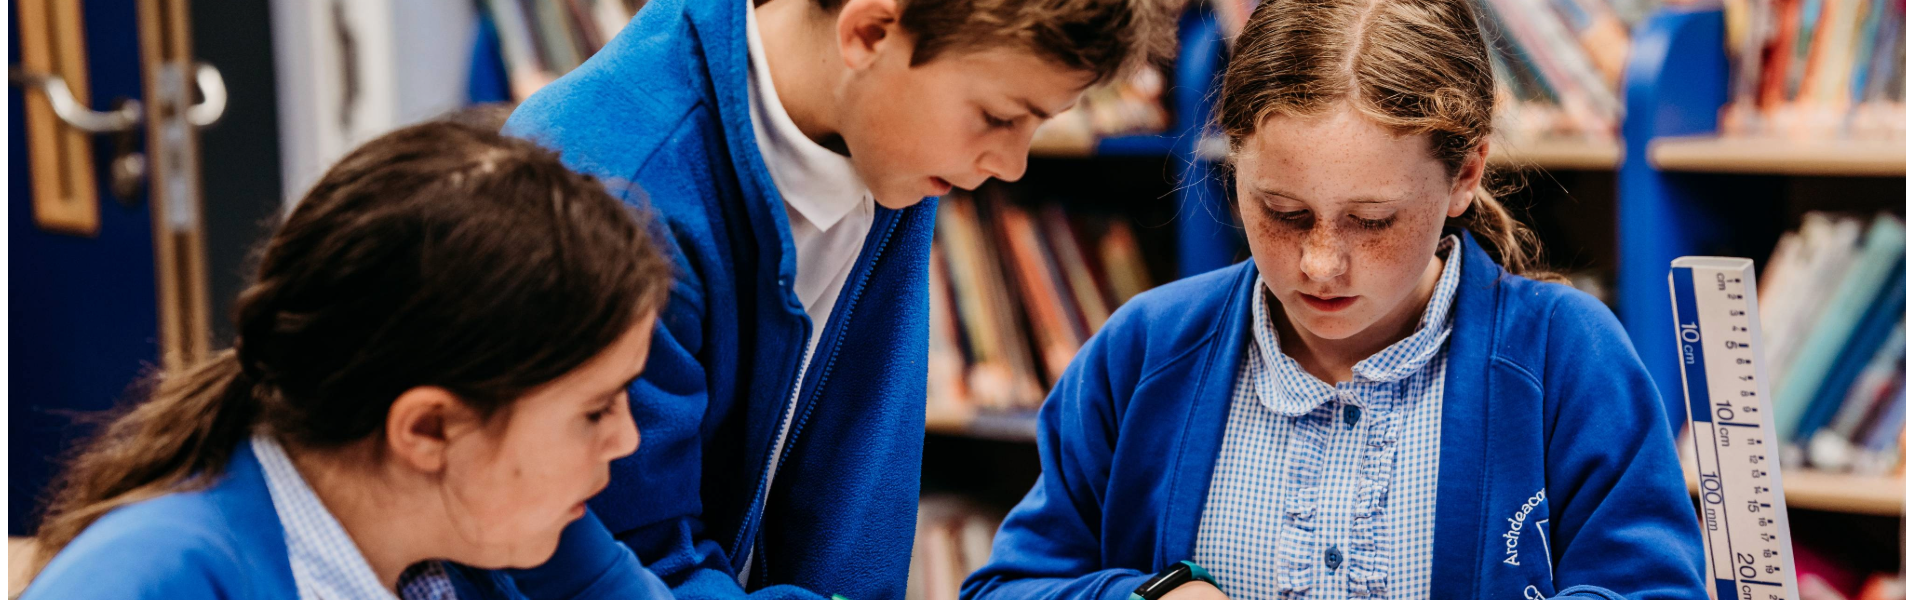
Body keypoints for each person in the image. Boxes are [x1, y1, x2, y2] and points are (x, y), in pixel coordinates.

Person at [960, 0, 1708, 598]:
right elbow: (1009, 585)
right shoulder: (1144, 352)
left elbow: (1651, 588)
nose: (1320, 264)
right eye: (1281, 213)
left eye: (1373, 220)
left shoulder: (1566, 357)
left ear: (1466, 174)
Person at [502, 0, 1177, 598]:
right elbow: (622, 560)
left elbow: (861, 479)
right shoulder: (616, 191)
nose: (1011, 164)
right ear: (870, 31)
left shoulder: (889, 134)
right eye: (998, 116)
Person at [22, 121, 676, 600]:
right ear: (427, 429)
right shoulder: (152, 580)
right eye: (595, 411)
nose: (626, 439)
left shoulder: (501, 528)